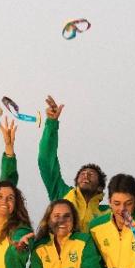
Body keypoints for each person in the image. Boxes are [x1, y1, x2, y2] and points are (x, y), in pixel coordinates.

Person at [38, 95, 107, 232]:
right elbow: (46, 160)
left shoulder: (107, 214)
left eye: (91, 174)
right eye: (82, 173)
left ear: (100, 187)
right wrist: (51, 123)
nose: (86, 175)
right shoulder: (62, 194)